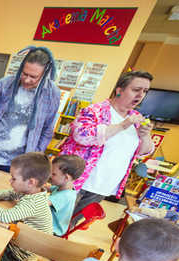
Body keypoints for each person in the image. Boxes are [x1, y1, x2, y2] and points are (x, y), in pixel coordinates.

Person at [59, 71, 155, 218]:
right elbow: (81, 135)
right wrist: (123, 125)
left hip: (103, 186)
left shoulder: (136, 119)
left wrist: (145, 135)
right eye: (136, 90)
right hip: (76, 181)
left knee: (69, 225)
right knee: (52, 221)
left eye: (145, 91)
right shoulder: (95, 111)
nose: (140, 95)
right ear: (119, 90)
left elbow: (143, 152)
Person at [0, 46, 60, 172]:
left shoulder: (52, 93)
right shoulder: (5, 84)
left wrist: (35, 155)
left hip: (21, 164)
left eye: (33, 76)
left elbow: (47, 129)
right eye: (24, 73)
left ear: (45, 73)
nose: (26, 79)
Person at [0, 152, 52, 261]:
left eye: (14, 178)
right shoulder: (32, 191)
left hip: (19, 257)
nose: (10, 181)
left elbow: (5, 216)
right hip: (16, 243)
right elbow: (11, 193)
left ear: (31, 182)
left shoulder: (33, 203)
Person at [47, 155, 86, 236]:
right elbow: (48, 187)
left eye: (53, 174)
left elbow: (39, 204)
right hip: (50, 223)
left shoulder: (65, 195)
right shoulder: (65, 188)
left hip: (53, 230)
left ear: (66, 177)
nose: (49, 175)